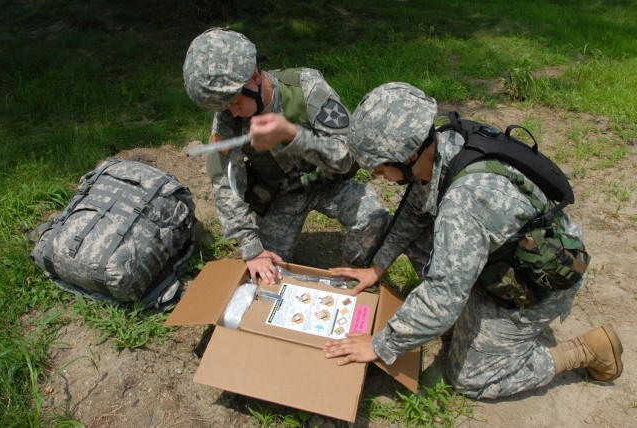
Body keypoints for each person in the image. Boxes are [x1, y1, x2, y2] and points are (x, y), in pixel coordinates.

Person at [324, 82, 623, 399]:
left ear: (408, 154)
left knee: (469, 379)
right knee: (418, 237)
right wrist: (379, 267)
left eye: (380, 167)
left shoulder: (465, 205)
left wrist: (380, 344)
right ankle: (466, 319)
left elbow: (443, 297)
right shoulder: (445, 142)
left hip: (535, 285)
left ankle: (587, 350)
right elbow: (414, 210)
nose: (377, 175)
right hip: (503, 253)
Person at [183, 28, 387, 284]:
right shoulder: (228, 117)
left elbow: (347, 157)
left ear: (255, 77)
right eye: (225, 106)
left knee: (374, 217)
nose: (232, 113)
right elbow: (226, 183)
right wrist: (251, 248)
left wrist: (292, 136)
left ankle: (348, 276)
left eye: (235, 102)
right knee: (267, 271)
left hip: (330, 185)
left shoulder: (306, 89)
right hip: (283, 195)